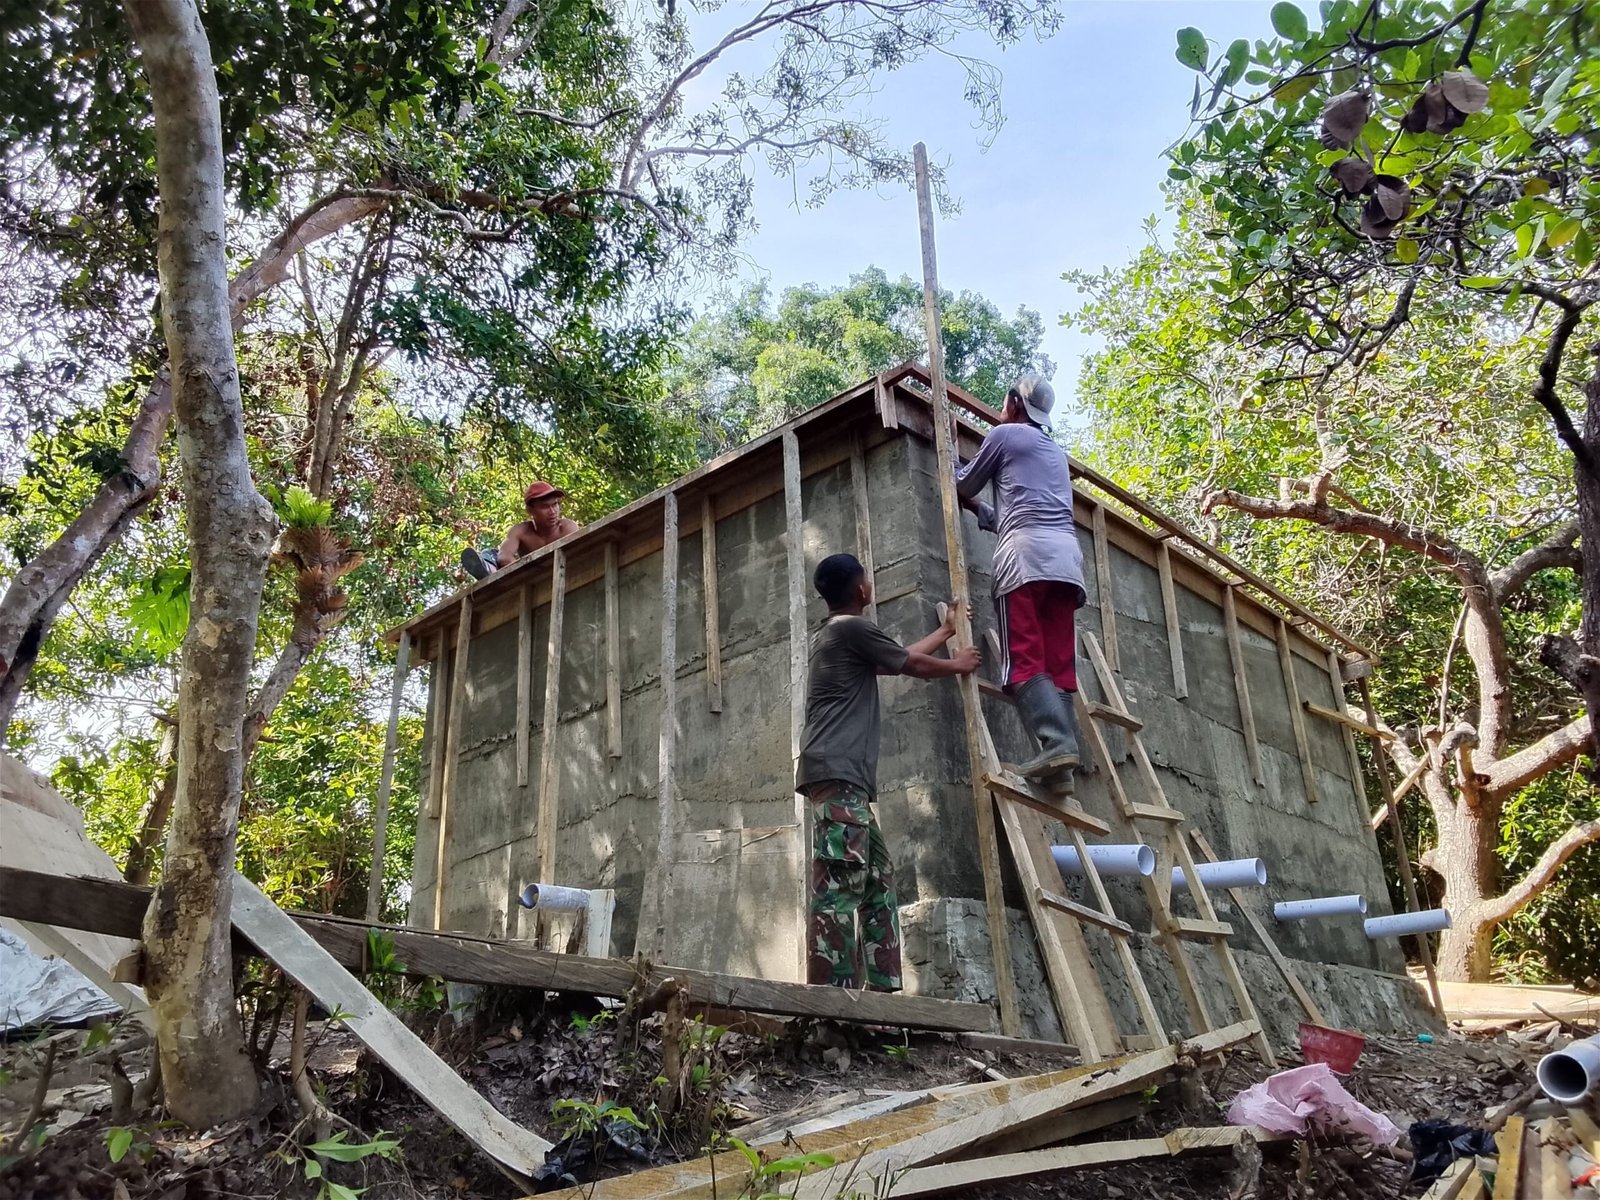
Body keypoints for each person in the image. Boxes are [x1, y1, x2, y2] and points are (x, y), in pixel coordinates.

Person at [796, 553, 982, 991]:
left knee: (877, 881)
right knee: (840, 884)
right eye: (867, 576)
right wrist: (957, 665)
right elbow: (912, 666)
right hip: (838, 774)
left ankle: (882, 996)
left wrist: (945, 632)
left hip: (843, 780)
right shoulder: (850, 628)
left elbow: (896, 659)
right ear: (862, 589)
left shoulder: (842, 633)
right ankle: (831, 1002)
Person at [955, 374, 1085, 789]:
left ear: (1014, 403)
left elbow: (963, 482)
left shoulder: (1005, 435)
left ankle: (1057, 744)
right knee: (1057, 666)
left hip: (1025, 560)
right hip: (1066, 564)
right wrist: (980, 510)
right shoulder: (1054, 453)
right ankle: (1062, 770)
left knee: (1024, 660)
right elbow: (1017, 512)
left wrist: (951, 461)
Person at [461, 481, 580, 579]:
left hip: (562, 574)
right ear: (530, 510)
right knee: (491, 554)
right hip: (527, 577)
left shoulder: (567, 528)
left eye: (555, 504)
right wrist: (527, 575)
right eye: (545, 507)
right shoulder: (521, 531)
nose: (553, 511)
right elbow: (504, 557)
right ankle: (489, 569)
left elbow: (576, 555)